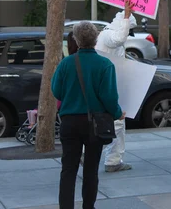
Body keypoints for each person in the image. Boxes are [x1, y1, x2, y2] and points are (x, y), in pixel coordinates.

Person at [52, 22, 124, 209]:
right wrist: (117, 113)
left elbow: (57, 91)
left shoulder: (66, 63)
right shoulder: (105, 64)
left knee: (68, 169)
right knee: (91, 170)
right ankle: (88, 207)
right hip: (95, 123)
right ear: (96, 39)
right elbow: (109, 97)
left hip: (69, 122)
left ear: (75, 39)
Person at [95, 1, 136, 172]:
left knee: (116, 122)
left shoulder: (106, 36)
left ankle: (113, 160)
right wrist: (127, 16)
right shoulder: (109, 35)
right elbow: (119, 38)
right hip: (108, 85)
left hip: (110, 83)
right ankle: (112, 160)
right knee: (116, 122)